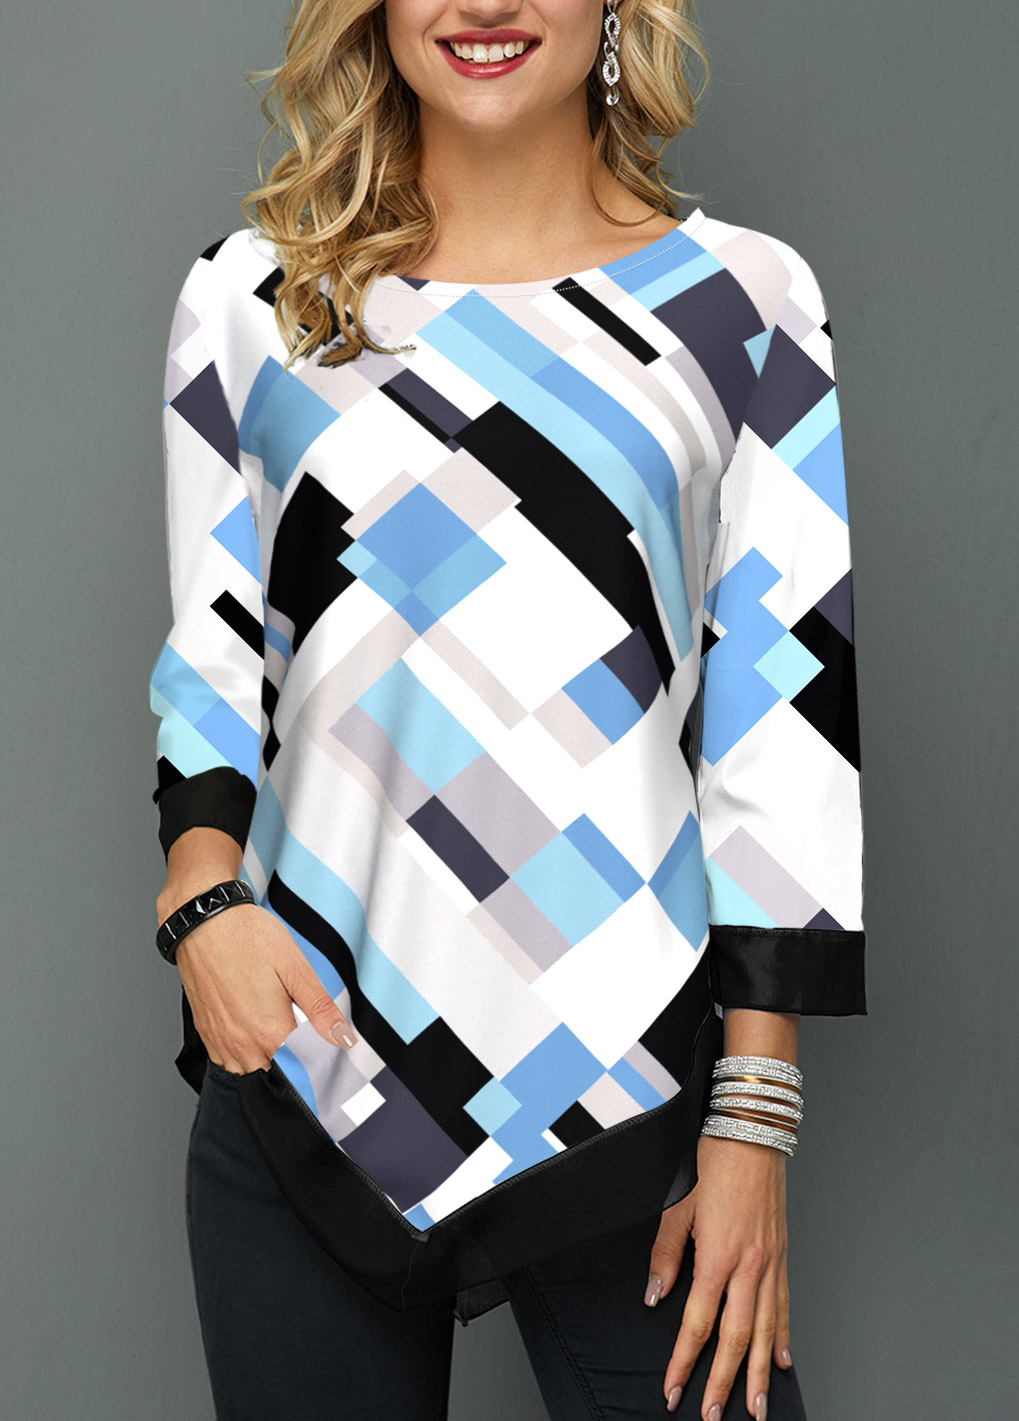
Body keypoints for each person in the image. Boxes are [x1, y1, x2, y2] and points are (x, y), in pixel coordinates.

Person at [149, 0, 867, 1416]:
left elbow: (781, 721)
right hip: (309, 1070)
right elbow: (215, 655)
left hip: (632, 1088)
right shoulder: (257, 299)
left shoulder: (744, 302)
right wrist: (202, 902)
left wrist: (753, 1120)